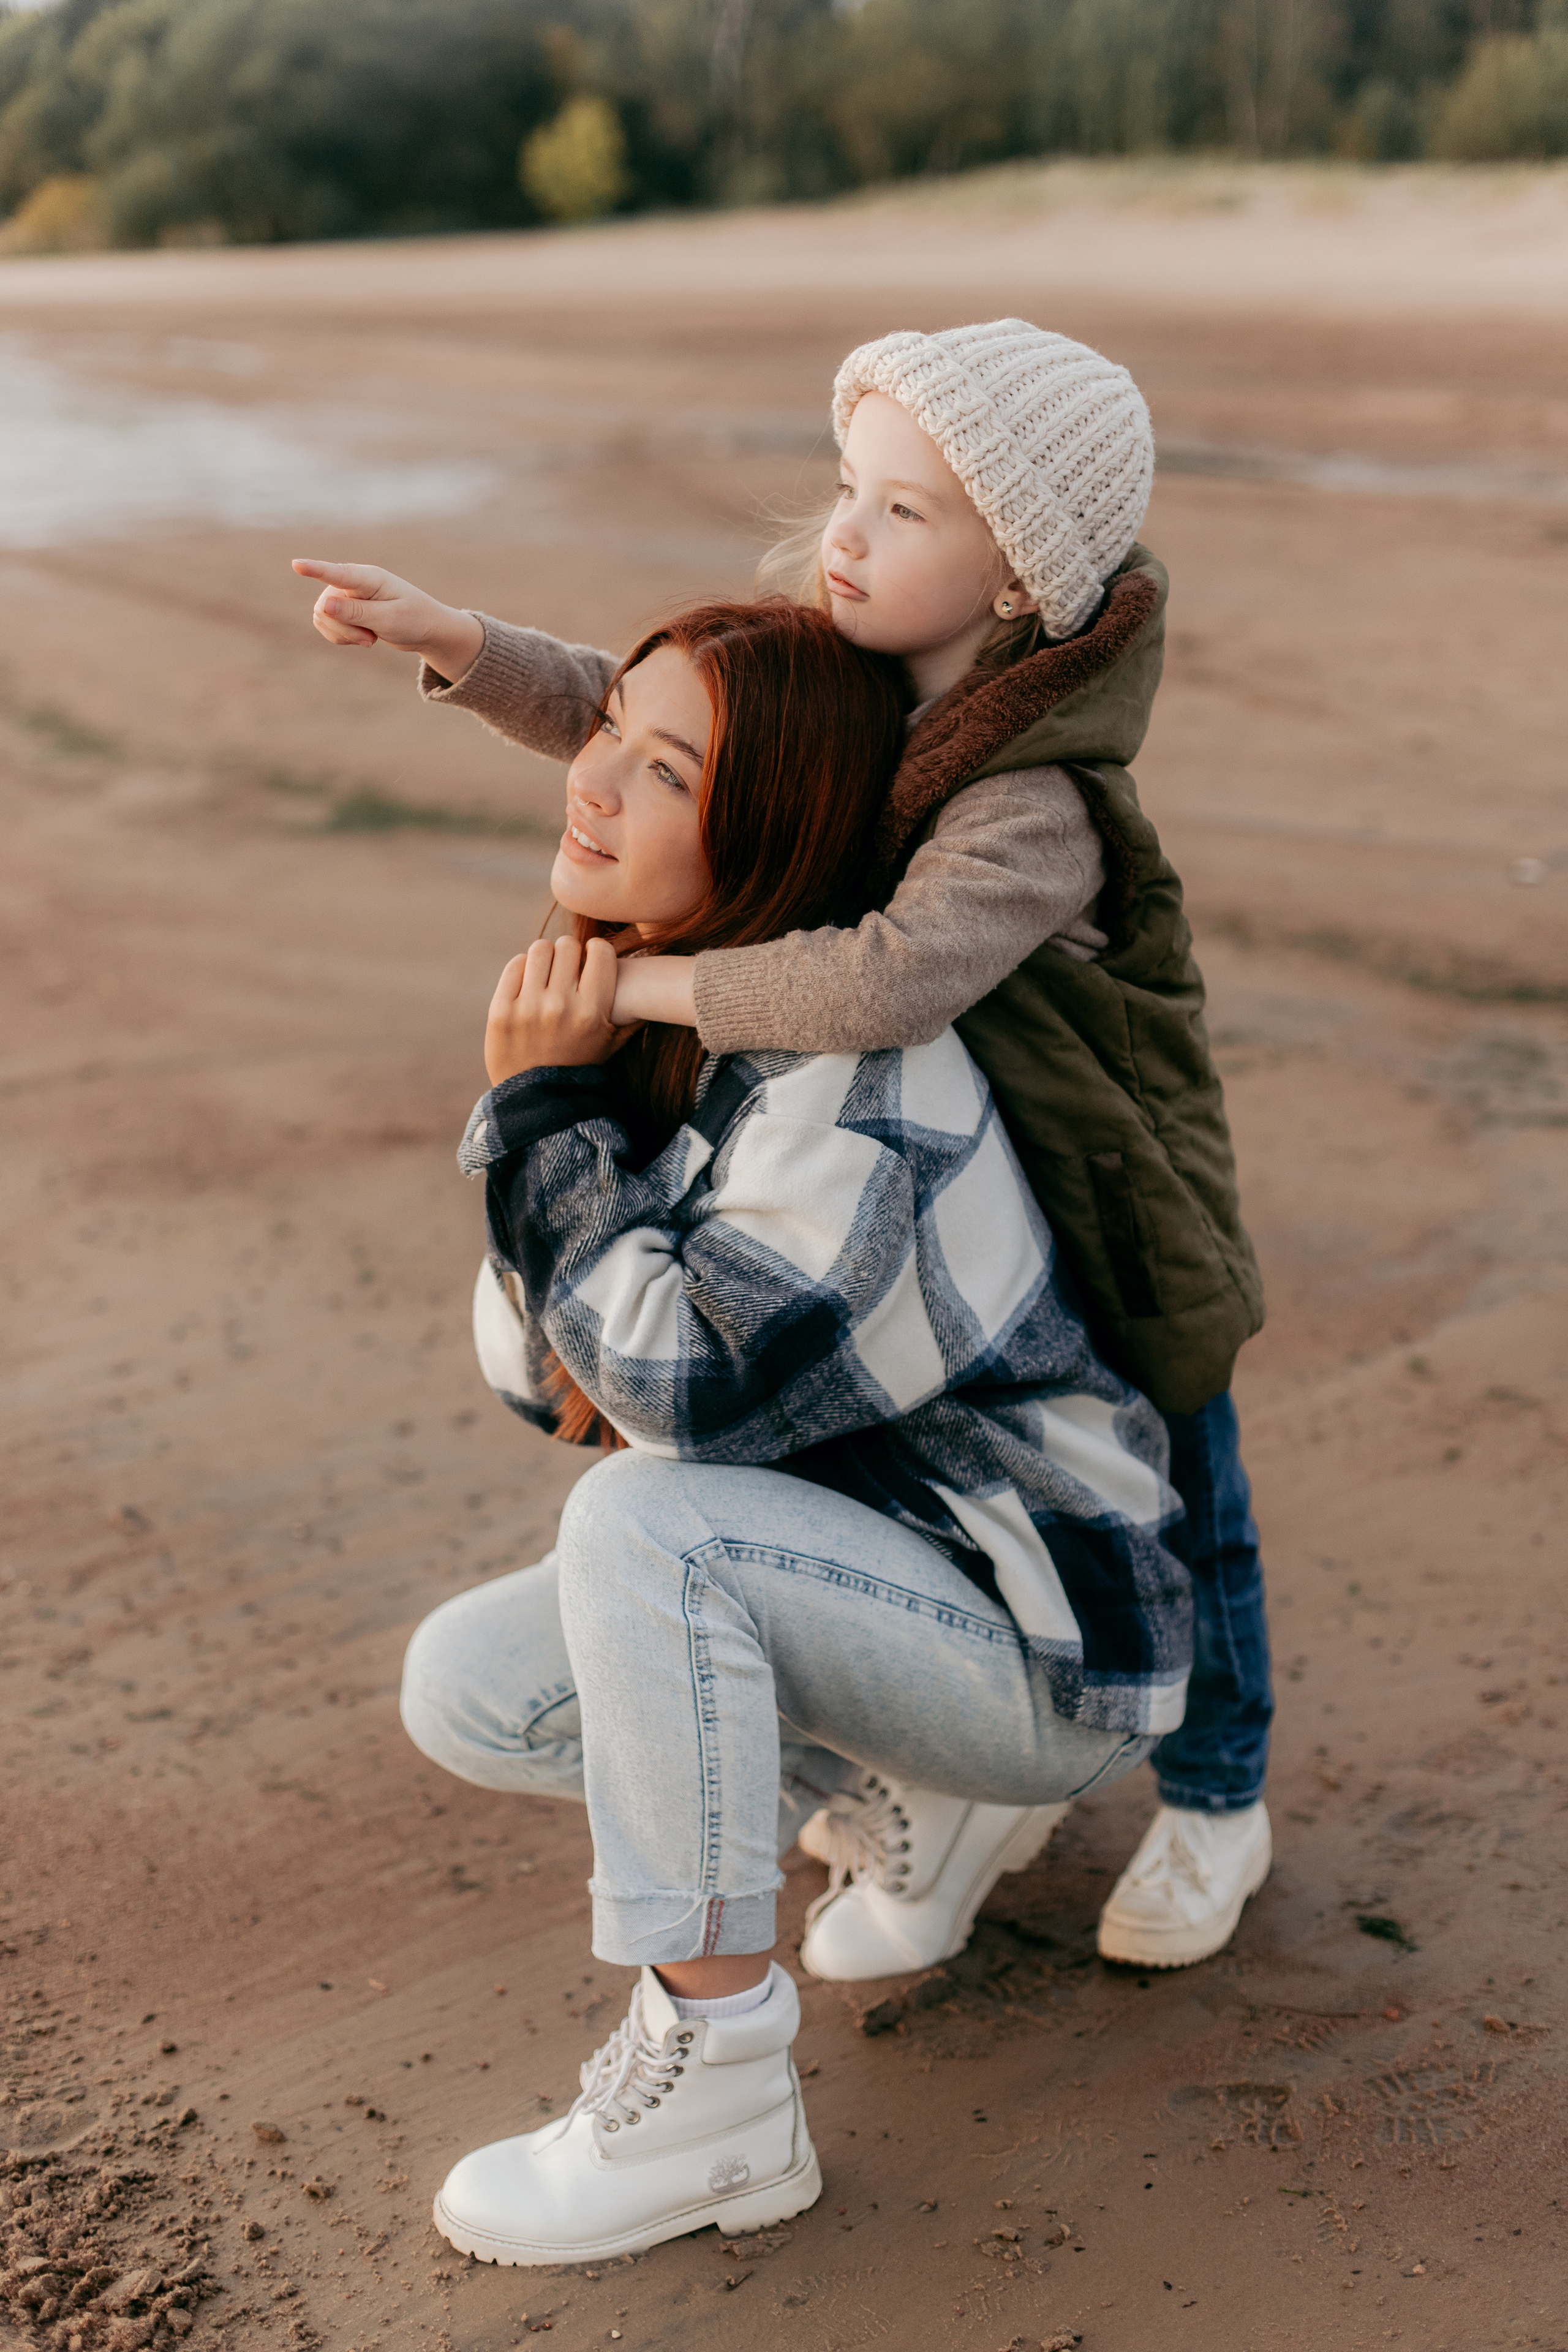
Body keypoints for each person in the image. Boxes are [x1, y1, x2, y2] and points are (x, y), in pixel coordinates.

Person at [293, 317, 1273, 1981]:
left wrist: (645, 984)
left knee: (1184, 1485)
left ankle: (1218, 1795)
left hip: (1109, 1189)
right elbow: (664, 720)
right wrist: (464, 645)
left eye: (906, 514)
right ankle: (930, 1753)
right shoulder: (880, 672)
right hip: (964, 1175)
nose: (846, 537)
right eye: (849, 487)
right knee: (882, 1442)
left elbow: (896, 978)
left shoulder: (1032, 799)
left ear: (1019, 575)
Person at [389, 597, 1191, 2263]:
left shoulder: (861, 1081)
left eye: (662, 769)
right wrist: (583, 1123)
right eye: (606, 732)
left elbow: (665, 1404)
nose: (594, 781)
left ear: (767, 833)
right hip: (877, 1567)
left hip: (1045, 1633)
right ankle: (910, 1793)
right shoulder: (663, 1044)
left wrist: (545, 1123)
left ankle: (720, 2092)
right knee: (473, 1687)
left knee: (646, 1532)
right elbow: (534, 1373)